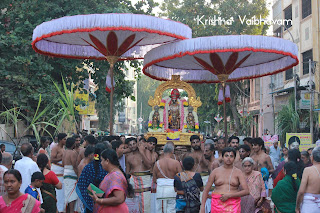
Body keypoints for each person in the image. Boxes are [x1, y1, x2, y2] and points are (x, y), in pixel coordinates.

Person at [200, 147, 249, 213]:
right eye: (226, 156)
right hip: (217, 204)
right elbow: (206, 191)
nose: (228, 158)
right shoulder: (215, 172)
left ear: (234, 158)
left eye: (231, 156)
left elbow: (246, 191)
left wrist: (229, 195)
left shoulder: (238, 172)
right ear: (222, 157)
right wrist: (202, 207)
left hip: (233, 205)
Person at [76, 143, 108, 213]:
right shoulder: (106, 167)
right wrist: (102, 195)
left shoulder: (88, 167)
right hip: (106, 201)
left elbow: (81, 185)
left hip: (91, 199)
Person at [153, 142, 183, 213]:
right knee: (172, 209)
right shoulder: (176, 163)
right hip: (172, 189)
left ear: (163, 151)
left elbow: (154, 180)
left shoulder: (157, 163)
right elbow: (181, 178)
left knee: (161, 209)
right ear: (172, 151)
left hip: (161, 190)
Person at [296, 146, 320, 213]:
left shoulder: (308, 170)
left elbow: (301, 192)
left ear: (312, 158)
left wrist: (297, 207)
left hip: (309, 206)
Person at [51, 132, 67, 213]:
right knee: (59, 192)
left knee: (63, 192)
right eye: (64, 139)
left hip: (63, 171)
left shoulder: (64, 148)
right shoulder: (55, 148)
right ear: (60, 140)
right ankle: (59, 209)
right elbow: (52, 159)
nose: (65, 141)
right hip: (57, 170)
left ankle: (62, 209)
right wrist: (61, 158)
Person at [63, 137, 79, 213]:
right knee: (72, 196)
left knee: (68, 194)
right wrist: (78, 175)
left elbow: (63, 163)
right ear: (73, 144)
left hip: (65, 174)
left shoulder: (64, 152)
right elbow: (74, 165)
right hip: (72, 175)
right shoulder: (73, 153)